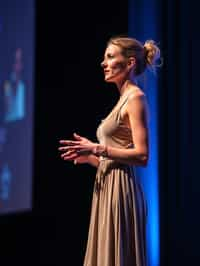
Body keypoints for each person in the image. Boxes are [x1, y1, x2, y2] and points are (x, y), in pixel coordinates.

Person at [58, 36, 161, 266]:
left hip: (121, 192)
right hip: (106, 189)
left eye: (110, 57)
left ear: (130, 63)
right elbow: (114, 159)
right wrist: (92, 158)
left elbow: (142, 155)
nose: (103, 63)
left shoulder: (136, 98)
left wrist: (98, 148)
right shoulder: (121, 100)